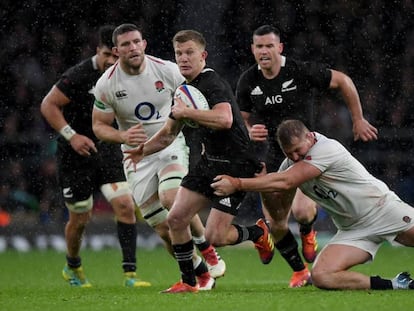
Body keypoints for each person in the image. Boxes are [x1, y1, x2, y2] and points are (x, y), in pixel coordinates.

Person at [124, 29, 275, 294]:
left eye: (189, 52)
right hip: (208, 163)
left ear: (203, 55)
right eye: (178, 53)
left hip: (236, 165)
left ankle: (258, 233)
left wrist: (186, 111)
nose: (183, 58)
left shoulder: (211, 82)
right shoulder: (184, 90)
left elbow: (225, 119)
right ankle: (189, 282)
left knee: (217, 236)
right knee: (176, 218)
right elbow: (169, 133)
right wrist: (142, 150)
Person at [235, 24, 378, 287]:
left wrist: (358, 119)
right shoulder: (248, 80)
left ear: (280, 47)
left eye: (269, 46)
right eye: (259, 46)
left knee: (301, 210)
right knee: (276, 222)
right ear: (252, 50)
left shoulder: (299, 71)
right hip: (273, 156)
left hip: (306, 155)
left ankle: (307, 230)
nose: (264, 51)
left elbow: (343, 80)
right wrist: (248, 130)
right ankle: (300, 272)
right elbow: (239, 120)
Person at [91, 24, 225, 290]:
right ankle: (200, 273)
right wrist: (123, 137)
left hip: (169, 144)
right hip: (136, 157)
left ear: (145, 44)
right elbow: (99, 126)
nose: (133, 48)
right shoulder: (106, 84)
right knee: (164, 230)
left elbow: (196, 97)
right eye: (126, 45)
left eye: (136, 42)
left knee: (172, 198)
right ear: (116, 51)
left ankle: (207, 248)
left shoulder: (166, 70)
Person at [212, 119, 414, 290]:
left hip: (382, 209)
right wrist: (264, 187)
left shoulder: (326, 148)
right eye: (289, 153)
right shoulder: (290, 166)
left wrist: (237, 183)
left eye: (297, 150)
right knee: (321, 276)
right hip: (353, 230)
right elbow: (278, 212)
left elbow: (287, 181)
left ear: (309, 137)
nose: (295, 157)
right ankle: (397, 284)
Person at [40, 25, 151, 288]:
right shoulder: (79, 75)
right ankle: (73, 266)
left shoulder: (124, 75)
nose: (111, 62)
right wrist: (72, 135)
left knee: (125, 205)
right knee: (80, 218)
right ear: (98, 51)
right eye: (106, 56)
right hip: (75, 154)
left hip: (108, 149)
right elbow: (48, 105)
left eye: (115, 56)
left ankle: (130, 275)